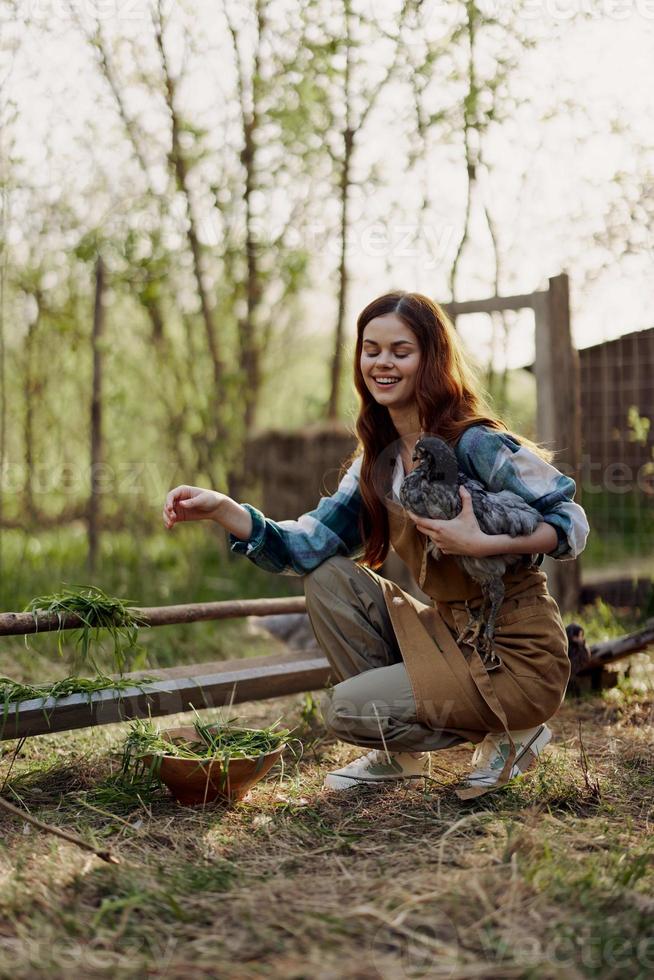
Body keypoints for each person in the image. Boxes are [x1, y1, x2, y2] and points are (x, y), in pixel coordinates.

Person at [163, 291, 589, 798]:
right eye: (371, 349)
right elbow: (305, 544)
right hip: (452, 634)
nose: (382, 362)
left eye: (400, 351)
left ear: (430, 360)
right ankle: (399, 756)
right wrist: (224, 510)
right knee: (325, 575)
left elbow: (571, 521)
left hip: (518, 652)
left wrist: (479, 541)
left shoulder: (476, 443)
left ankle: (515, 731)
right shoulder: (378, 462)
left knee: (346, 708)